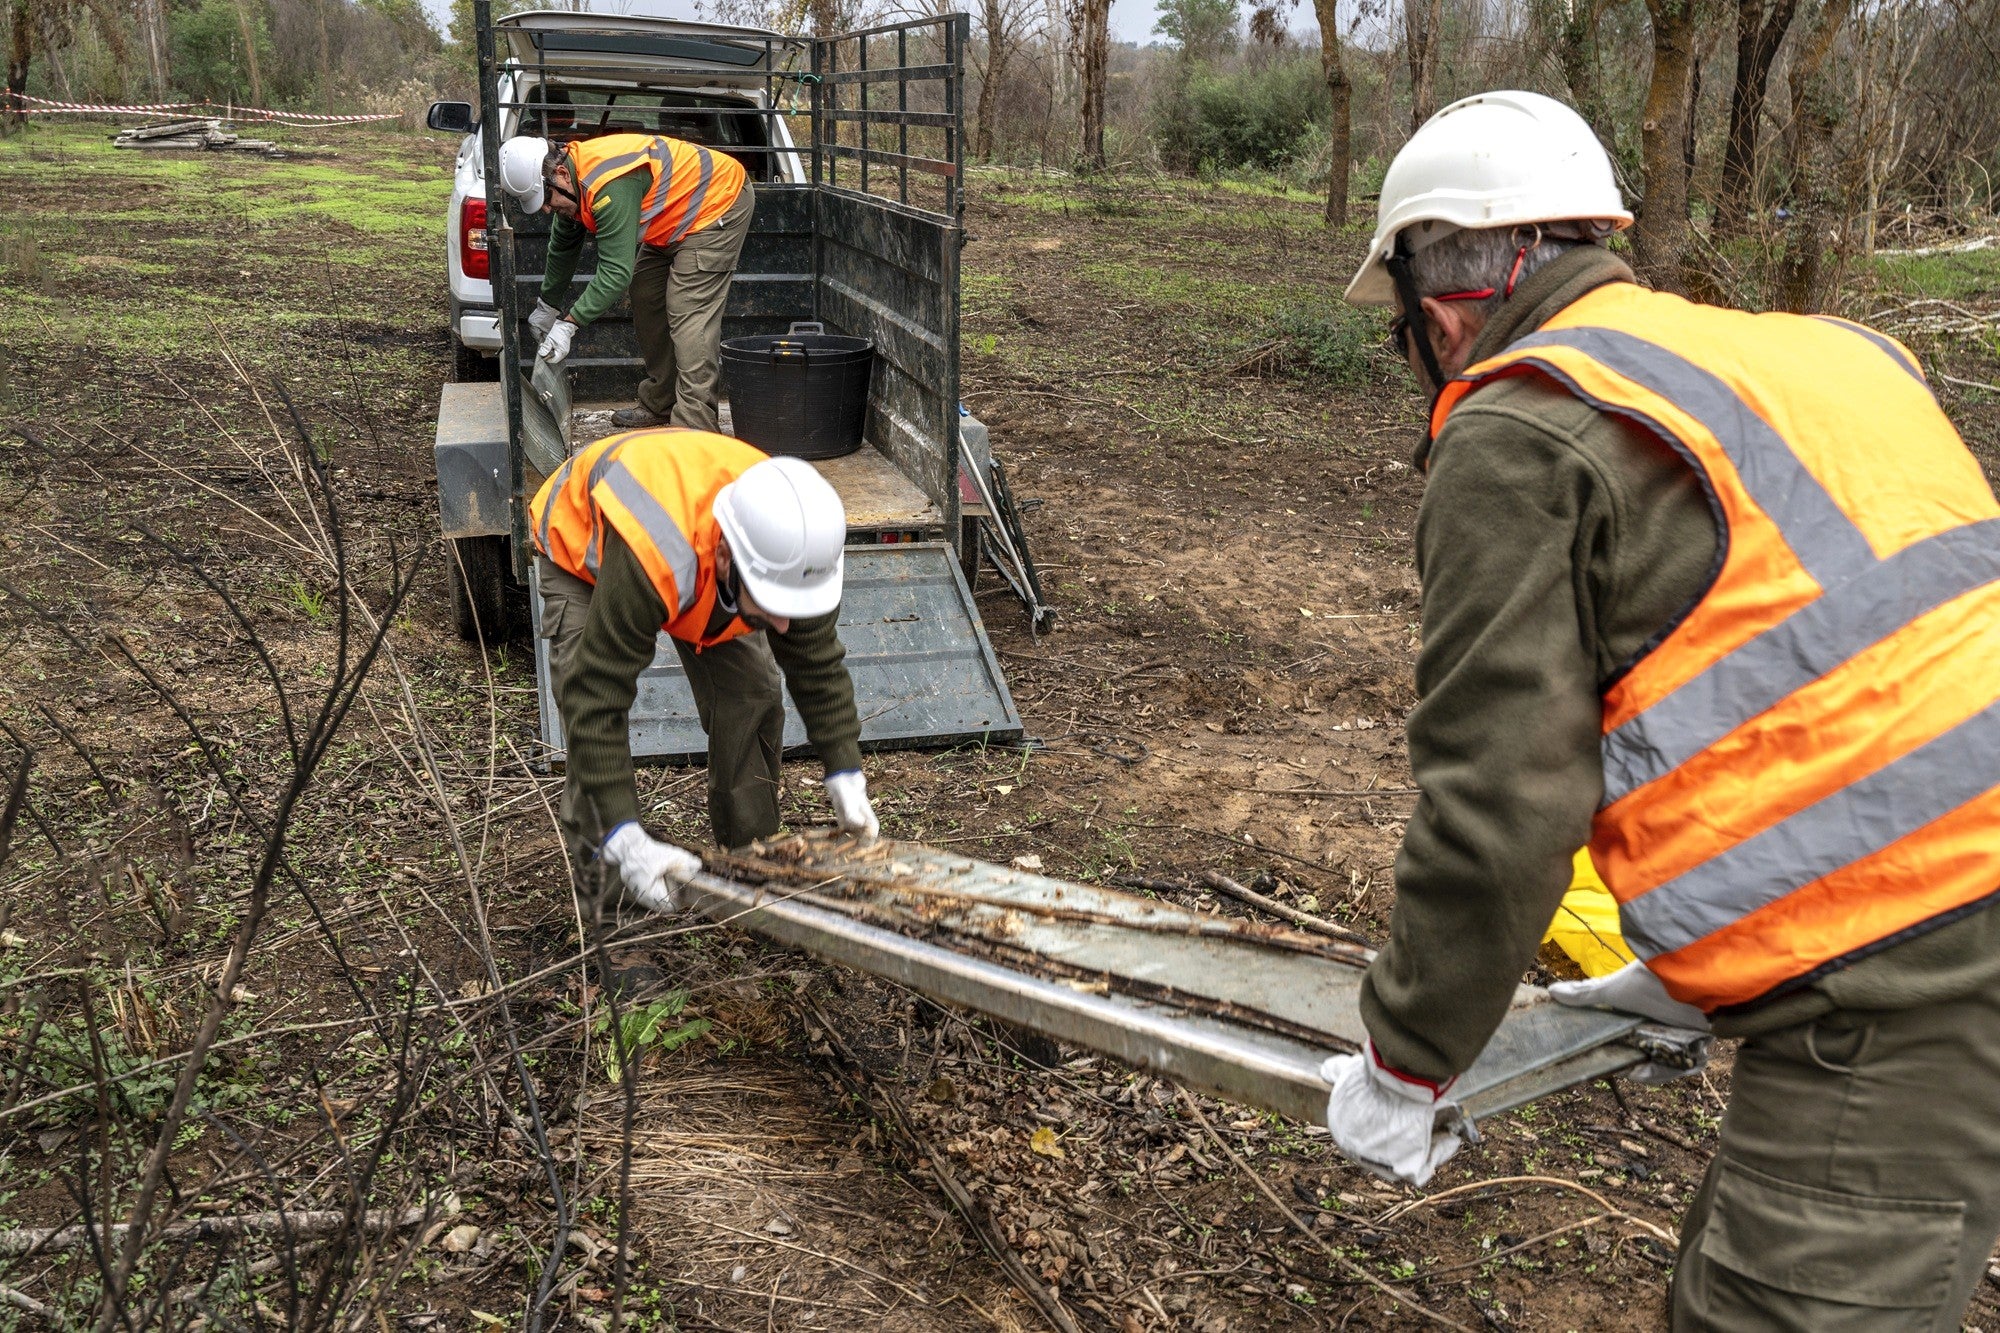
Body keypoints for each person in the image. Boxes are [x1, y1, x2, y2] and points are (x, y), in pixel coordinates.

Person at [1322, 89, 2000, 1329]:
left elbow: (1499, 800)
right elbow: (1861, 674)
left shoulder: (1524, 428)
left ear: (1436, 302)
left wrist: (1405, 1058)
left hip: (1915, 970)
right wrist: (1689, 967)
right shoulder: (1822, 351)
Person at [530, 428, 879, 982]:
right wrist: (627, 834)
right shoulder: (656, 551)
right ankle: (614, 925)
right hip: (587, 556)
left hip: (700, 559)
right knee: (589, 739)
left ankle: (752, 867)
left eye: (794, 606)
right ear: (723, 555)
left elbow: (816, 661)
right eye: (773, 604)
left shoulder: (791, 545)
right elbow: (595, 699)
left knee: (754, 691)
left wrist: (845, 769)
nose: (784, 624)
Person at [498, 131, 753, 432]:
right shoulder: (571, 184)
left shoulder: (609, 184)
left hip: (718, 203)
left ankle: (695, 426)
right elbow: (563, 247)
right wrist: (547, 305)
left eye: (545, 199)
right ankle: (661, 402)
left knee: (688, 310)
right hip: (676, 214)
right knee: (645, 290)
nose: (545, 209)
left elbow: (615, 273)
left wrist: (569, 324)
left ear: (562, 174)